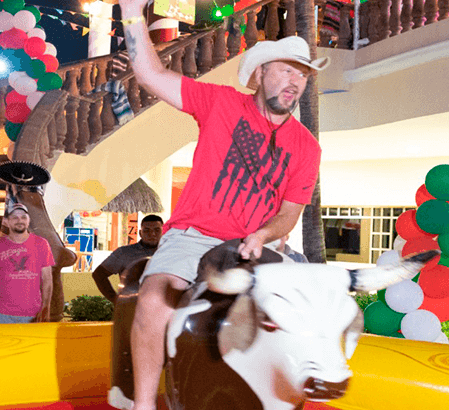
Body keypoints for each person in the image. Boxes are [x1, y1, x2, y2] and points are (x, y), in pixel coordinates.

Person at [118, 1, 327, 408]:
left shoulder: (307, 147)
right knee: (153, 301)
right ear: (259, 73)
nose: (295, 80)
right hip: (193, 237)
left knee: (311, 311)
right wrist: (130, 10)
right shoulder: (220, 103)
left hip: (255, 246)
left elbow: (289, 212)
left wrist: (264, 234)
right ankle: (144, 404)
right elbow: (149, 73)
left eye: (302, 74)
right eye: (286, 69)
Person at [0, 203, 55, 324]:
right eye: (15, 217)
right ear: (6, 221)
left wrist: (46, 307)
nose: (19, 220)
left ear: (28, 220)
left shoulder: (41, 244)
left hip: (33, 314)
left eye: (23, 217)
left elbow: (47, 279)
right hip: (2, 314)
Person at [92, 215, 164, 303]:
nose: (152, 234)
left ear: (163, 232)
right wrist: (115, 300)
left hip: (166, 309)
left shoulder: (172, 253)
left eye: (157, 230)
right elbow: (99, 274)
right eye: (146, 230)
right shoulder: (124, 253)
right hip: (132, 308)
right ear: (140, 233)